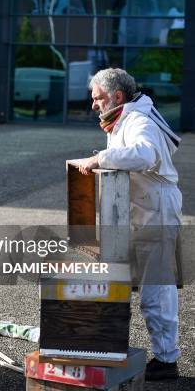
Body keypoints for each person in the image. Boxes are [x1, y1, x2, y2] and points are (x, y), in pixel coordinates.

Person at [74, 68, 182, 381]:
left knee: (156, 291)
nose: (94, 105)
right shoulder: (125, 117)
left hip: (156, 213)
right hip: (142, 211)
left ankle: (166, 360)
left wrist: (99, 159)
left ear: (117, 97)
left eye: (98, 98)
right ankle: (119, 347)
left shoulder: (139, 120)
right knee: (127, 282)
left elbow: (144, 154)